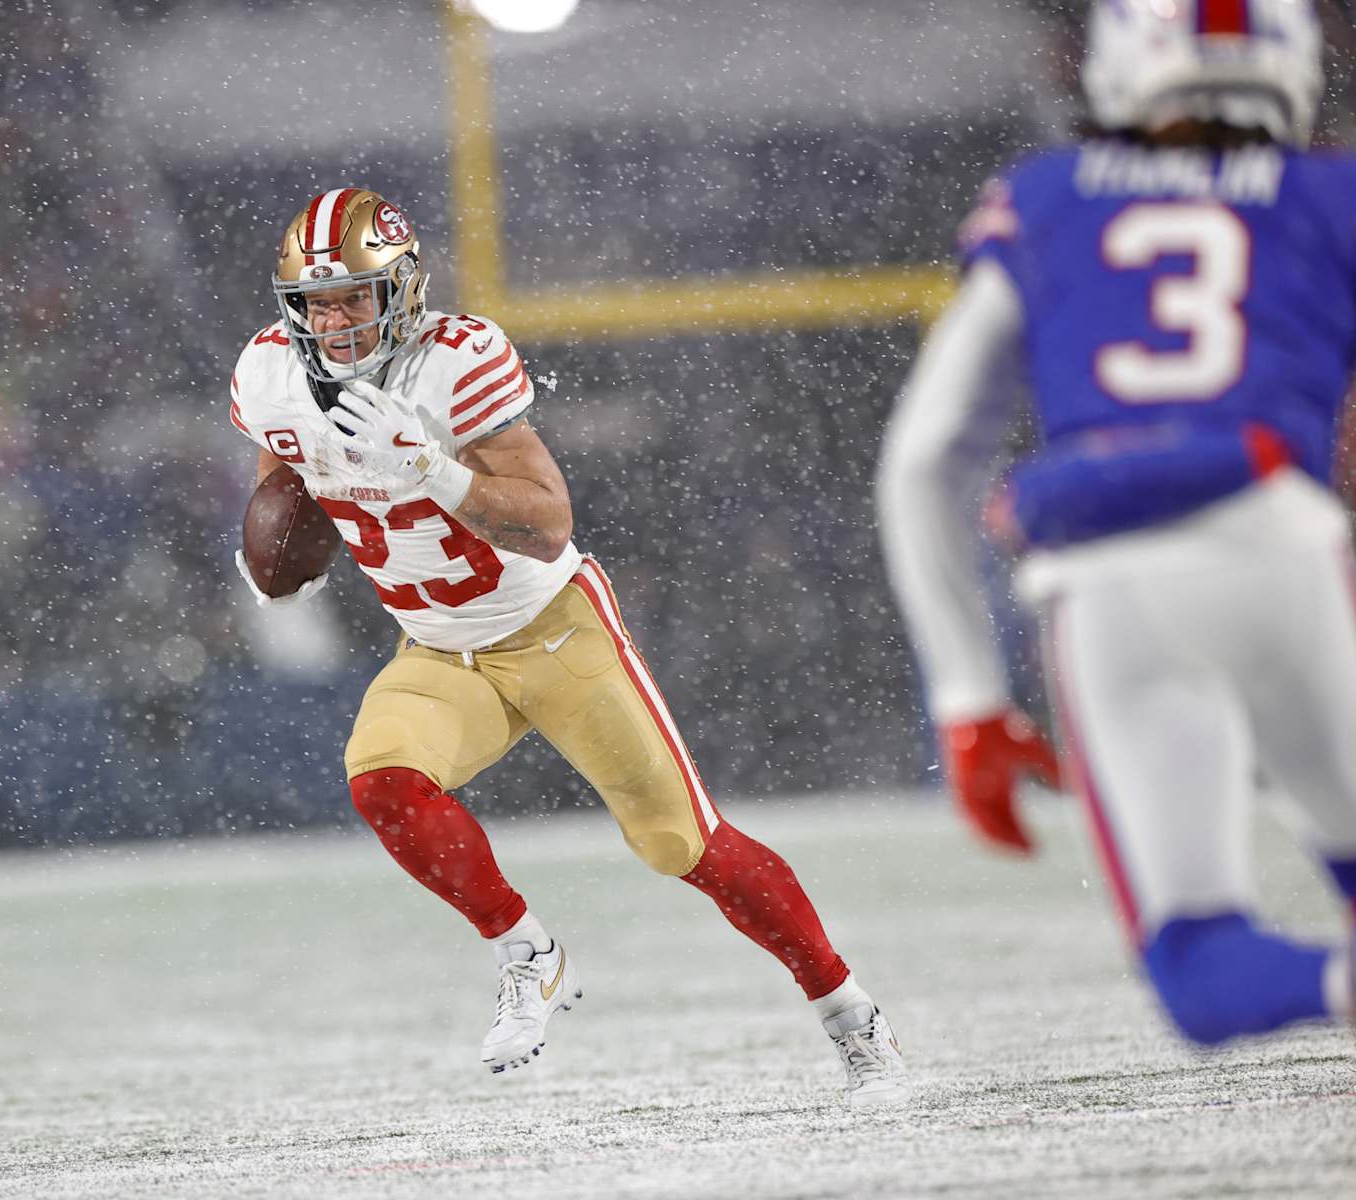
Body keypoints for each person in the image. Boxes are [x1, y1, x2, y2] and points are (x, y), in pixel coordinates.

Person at [229, 187, 908, 1104]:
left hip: (553, 630)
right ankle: (528, 955)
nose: (334, 318)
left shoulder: (456, 362)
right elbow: (284, 485)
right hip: (435, 647)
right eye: (316, 299)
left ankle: (853, 1018)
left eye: (354, 295)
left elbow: (548, 526)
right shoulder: (268, 373)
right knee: (383, 781)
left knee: (683, 842)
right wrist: (273, 557)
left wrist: (430, 468)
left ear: (402, 289)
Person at [878, 0, 1356, 1045]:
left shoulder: (1046, 200)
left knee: (1201, 968)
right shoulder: (1333, 196)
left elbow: (926, 459)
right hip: (1284, 547)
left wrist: (966, 697)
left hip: (1111, 584)